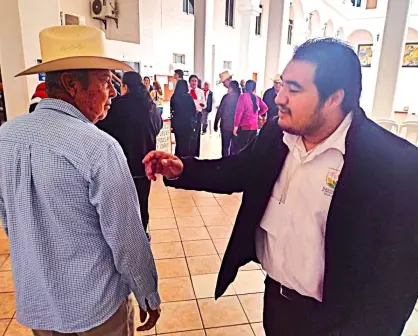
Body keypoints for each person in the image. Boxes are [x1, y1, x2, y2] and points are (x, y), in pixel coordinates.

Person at [143, 38, 418, 335]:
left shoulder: (394, 164)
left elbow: (396, 282)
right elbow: (240, 171)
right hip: (277, 302)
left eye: (294, 89)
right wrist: (183, 169)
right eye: (282, 85)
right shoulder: (277, 132)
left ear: (334, 98)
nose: (279, 98)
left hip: (338, 321)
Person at [0, 25, 161, 335]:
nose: (113, 92)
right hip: (96, 309)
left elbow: (10, 219)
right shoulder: (99, 147)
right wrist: (147, 293)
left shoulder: (6, 136)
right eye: (104, 81)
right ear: (72, 85)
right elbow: (127, 238)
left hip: (39, 304)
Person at [96, 71, 162, 237]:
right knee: (142, 202)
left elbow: (101, 130)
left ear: (124, 87)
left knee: (122, 207)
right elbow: (158, 127)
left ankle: (127, 240)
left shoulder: (116, 105)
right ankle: (143, 236)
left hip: (121, 165)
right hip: (146, 164)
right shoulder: (150, 105)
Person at [233, 80, 268, 151]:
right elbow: (265, 108)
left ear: (245, 87)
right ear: (254, 88)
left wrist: (235, 126)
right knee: (250, 149)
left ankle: (242, 162)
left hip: (245, 127)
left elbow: (239, 112)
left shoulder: (243, 97)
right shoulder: (257, 98)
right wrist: (257, 114)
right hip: (254, 127)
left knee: (242, 149)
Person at [170, 79, 197, 157]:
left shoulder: (174, 97)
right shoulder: (188, 97)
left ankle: (177, 159)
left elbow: (172, 109)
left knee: (178, 142)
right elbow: (193, 111)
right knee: (186, 143)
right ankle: (185, 161)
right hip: (187, 123)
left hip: (177, 123)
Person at [214, 80, 241, 157]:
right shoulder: (240, 97)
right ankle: (233, 164)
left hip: (225, 126)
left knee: (225, 147)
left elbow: (220, 111)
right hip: (237, 126)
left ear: (231, 88)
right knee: (235, 147)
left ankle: (224, 163)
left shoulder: (226, 97)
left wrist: (216, 123)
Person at [189, 75, 206, 157]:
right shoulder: (187, 91)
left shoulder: (200, 92)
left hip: (198, 114)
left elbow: (204, 104)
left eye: (195, 81)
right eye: (192, 81)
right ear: (189, 82)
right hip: (189, 115)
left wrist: (203, 105)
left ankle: (196, 153)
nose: (194, 82)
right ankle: (189, 152)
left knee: (197, 133)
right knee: (190, 133)